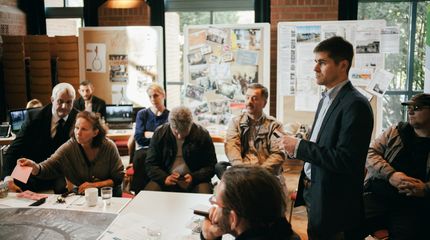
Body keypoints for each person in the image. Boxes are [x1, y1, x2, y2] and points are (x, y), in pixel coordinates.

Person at [280, 36, 374, 240]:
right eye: (315, 62)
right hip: (315, 192)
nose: (315, 68)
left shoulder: (355, 104)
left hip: (335, 203)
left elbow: (345, 159)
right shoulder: (326, 99)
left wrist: (299, 147)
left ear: (343, 65)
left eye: (322, 62)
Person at [363, 93, 430, 239]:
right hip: (378, 194)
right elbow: (370, 152)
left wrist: (425, 189)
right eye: (409, 107)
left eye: (417, 108)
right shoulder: (396, 131)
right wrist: (391, 175)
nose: (410, 111)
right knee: (343, 217)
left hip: (412, 204)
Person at [17, 111, 124, 197]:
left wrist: (94, 185)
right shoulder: (70, 146)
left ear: (95, 132)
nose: (78, 132)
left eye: (84, 129)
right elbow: (47, 167)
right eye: (77, 128)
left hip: (110, 196)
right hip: (84, 198)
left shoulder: (108, 146)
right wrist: (34, 167)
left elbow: (118, 178)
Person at [2, 83, 78, 193]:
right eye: (60, 101)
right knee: (14, 185)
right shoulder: (33, 117)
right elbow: (14, 150)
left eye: (69, 102)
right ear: (52, 99)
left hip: (60, 171)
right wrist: (8, 178)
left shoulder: (78, 119)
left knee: (64, 189)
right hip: (32, 166)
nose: (64, 106)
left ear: (73, 101)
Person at [201, 165, 299, 240]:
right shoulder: (286, 232)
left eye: (217, 204)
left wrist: (209, 235)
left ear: (233, 219)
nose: (214, 209)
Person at [217, 83, 285, 178]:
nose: (249, 102)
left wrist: (258, 174)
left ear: (264, 103)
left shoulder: (275, 125)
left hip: (266, 175)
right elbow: (232, 147)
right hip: (241, 173)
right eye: (247, 97)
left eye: (254, 98)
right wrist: (241, 171)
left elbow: (278, 154)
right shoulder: (235, 122)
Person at [144, 106, 216, 193]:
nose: (180, 136)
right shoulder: (160, 133)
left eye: (184, 132)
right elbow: (150, 164)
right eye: (176, 132)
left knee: (204, 199)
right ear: (170, 124)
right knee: (148, 197)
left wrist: (195, 177)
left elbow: (211, 166)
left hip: (195, 180)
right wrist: (164, 178)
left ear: (191, 124)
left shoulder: (202, 134)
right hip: (166, 177)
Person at [131, 83, 169, 193]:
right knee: (140, 156)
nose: (153, 99)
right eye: (150, 96)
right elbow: (139, 138)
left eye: (156, 95)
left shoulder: (169, 116)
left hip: (161, 151)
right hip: (144, 150)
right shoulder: (142, 114)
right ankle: (139, 192)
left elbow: (167, 140)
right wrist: (158, 136)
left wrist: (150, 134)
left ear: (163, 96)